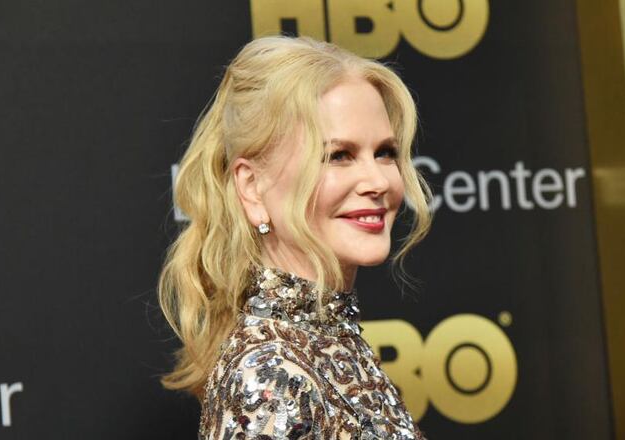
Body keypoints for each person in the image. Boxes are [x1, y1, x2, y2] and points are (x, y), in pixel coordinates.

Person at [157, 35, 433, 439]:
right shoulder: (271, 377)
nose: (377, 181)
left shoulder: (326, 340)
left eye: (385, 152)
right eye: (338, 155)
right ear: (252, 187)